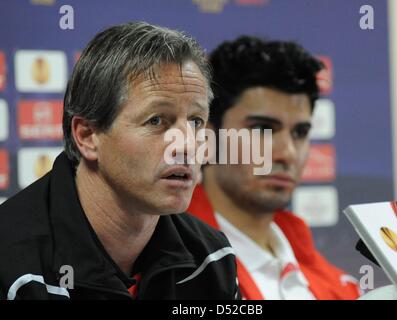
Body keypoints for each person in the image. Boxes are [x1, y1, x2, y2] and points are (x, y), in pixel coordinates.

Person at [0, 22, 239, 300]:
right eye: (157, 120)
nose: (186, 145)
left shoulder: (211, 258)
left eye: (196, 121)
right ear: (88, 135)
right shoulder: (10, 263)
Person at [187, 36, 361, 300]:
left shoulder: (342, 289)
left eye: (300, 132)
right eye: (262, 129)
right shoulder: (166, 270)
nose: (287, 154)